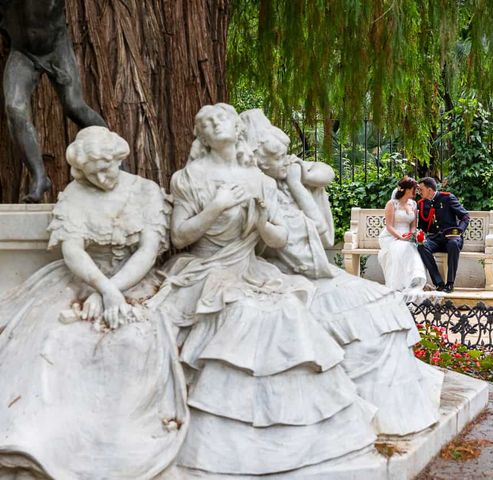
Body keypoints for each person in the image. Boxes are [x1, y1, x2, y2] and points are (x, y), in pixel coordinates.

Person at [149, 104, 377, 476]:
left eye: (219, 117)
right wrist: (217, 207)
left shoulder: (261, 180)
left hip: (250, 268)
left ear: (237, 129)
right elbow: (179, 235)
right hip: (207, 269)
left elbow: (279, 236)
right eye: (204, 121)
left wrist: (262, 225)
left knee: (287, 311)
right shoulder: (188, 178)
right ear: (201, 137)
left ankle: (298, 434)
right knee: (242, 315)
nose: (211, 122)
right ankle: (226, 438)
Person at [241, 108, 443, 436]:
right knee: (363, 324)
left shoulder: (287, 182)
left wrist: (297, 180)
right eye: (278, 156)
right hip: (293, 272)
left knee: (382, 308)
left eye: (285, 154)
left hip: (313, 268)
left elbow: (323, 191)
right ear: (258, 159)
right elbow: (310, 237)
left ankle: (391, 404)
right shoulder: (263, 193)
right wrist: (294, 186)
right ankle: (367, 407)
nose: (287, 161)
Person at [0, 126, 187, 479]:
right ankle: (43, 445)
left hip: (134, 280)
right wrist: (103, 289)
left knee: (133, 339)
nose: (103, 177)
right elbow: (72, 250)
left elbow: (148, 250)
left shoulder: (145, 192)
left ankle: (125, 446)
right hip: (84, 280)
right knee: (56, 338)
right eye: (94, 172)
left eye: (108, 167)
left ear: (119, 159)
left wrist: (116, 291)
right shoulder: (75, 194)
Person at [0, 0, 107, 202]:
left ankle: (114, 152)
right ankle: (39, 176)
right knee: (14, 108)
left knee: (74, 106)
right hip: (23, 53)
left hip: (56, 49)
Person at [416, 176, 470, 293]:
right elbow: (421, 226)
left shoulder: (447, 198)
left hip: (451, 237)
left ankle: (450, 284)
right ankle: (439, 283)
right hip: (435, 239)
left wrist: (458, 232)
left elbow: (465, 216)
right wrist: (419, 235)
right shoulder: (421, 203)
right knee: (421, 246)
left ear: (430, 190)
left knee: (453, 244)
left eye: (421, 189)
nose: (419, 192)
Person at [378, 176, 428, 297]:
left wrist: (412, 235)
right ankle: (399, 285)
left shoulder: (413, 204)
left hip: (407, 236)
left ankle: (414, 281)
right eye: (413, 189)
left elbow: (413, 225)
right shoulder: (392, 204)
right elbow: (389, 226)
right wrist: (401, 237)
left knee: (413, 247)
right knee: (402, 248)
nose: (416, 191)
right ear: (406, 189)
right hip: (392, 236)